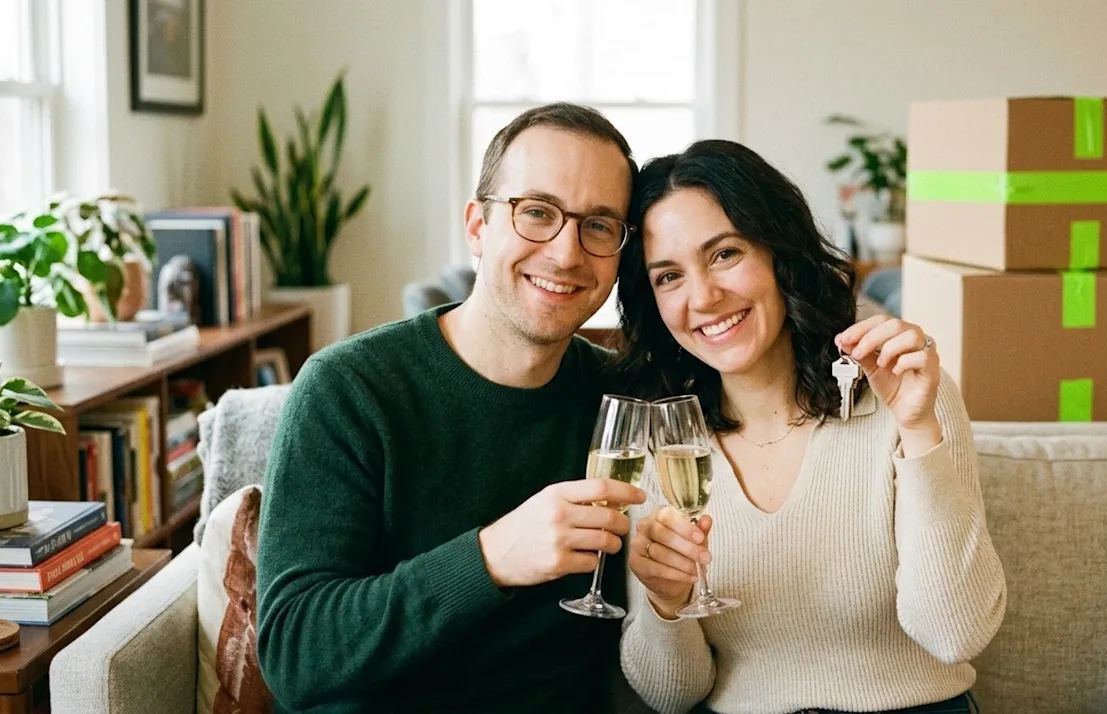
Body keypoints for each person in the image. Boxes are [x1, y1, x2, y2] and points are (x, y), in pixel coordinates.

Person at [255, 103, 649, 713]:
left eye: (598, 226)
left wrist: (850, 356)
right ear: (477, 227)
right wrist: (490, 558)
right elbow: (294, 653)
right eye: (537, 213)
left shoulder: (623, 401)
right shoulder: (349, 389)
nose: (568, 253)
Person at [613, 140, 1007, 714]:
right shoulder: (663, 444)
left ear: (779, 252)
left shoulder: (905, 395)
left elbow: (955, 634)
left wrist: (920, 432)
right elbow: (670, 695)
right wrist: (666, 605)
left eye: (725, 254)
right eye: (669, 276)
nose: (703, 297)